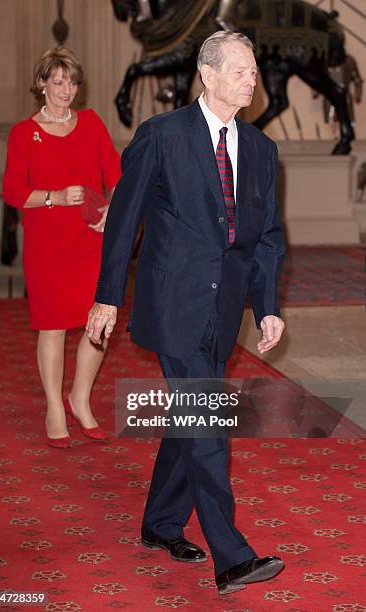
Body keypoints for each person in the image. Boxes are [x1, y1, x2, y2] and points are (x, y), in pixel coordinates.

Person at [87, 31, 286, 595]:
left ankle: (160, 522)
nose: (253, 80)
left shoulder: (262, 150)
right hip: (173, 302)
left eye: (254, 71)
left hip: (223, 311)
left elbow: (268, 238)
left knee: (189, 417)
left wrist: (267, 307)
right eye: (243, 71)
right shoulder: (162, 137)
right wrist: (107, 296)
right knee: (207, 423)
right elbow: (124, 223)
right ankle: (233, 557)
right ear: (209, 74)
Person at [3, 47, 121, 448]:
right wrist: (54, 196)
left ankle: (80, 399)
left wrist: (114, 212)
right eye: (58, 82)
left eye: (72, 82)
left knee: (96, 324)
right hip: (46, 244)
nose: (67, 90)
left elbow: (117, 175)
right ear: (41, 85)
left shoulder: (91, 123)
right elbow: (13, 192)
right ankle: (55, 406)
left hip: (92, 240)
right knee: (52, 327)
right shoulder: (23, 132)